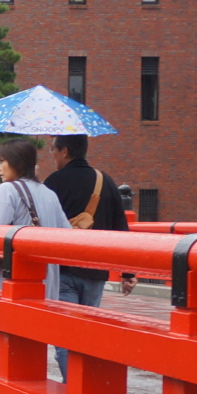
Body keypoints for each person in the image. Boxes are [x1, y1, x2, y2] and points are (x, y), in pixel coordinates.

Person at [42, 132, 132, 380]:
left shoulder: (53, 183)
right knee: (88, 332)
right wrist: (127, 272)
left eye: (53, 150)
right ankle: (85, 385)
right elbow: (120, 228)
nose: (52, 155)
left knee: (66, 333)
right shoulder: (105, 181)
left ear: (65, 152)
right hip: (95, 271)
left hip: (62, 270)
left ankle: (73, 386)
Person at [0, 139, 68, 297]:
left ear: (16, 162)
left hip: (14, 280)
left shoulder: (8, 189)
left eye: (2, 161)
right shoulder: (50, 194)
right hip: (46, 280)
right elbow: (67, 233)